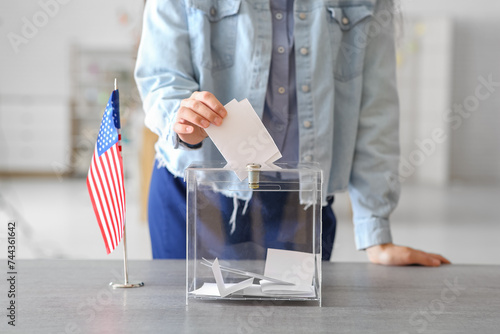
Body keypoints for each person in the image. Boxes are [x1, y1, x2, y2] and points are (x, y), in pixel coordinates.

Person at [135, 0, 450, 266]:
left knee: (290, 321)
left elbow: (376, 108)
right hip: (193, 195)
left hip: (299, 208)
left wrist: (375, 232)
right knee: (186, 321)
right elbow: (162, 76)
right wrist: (181, 119)